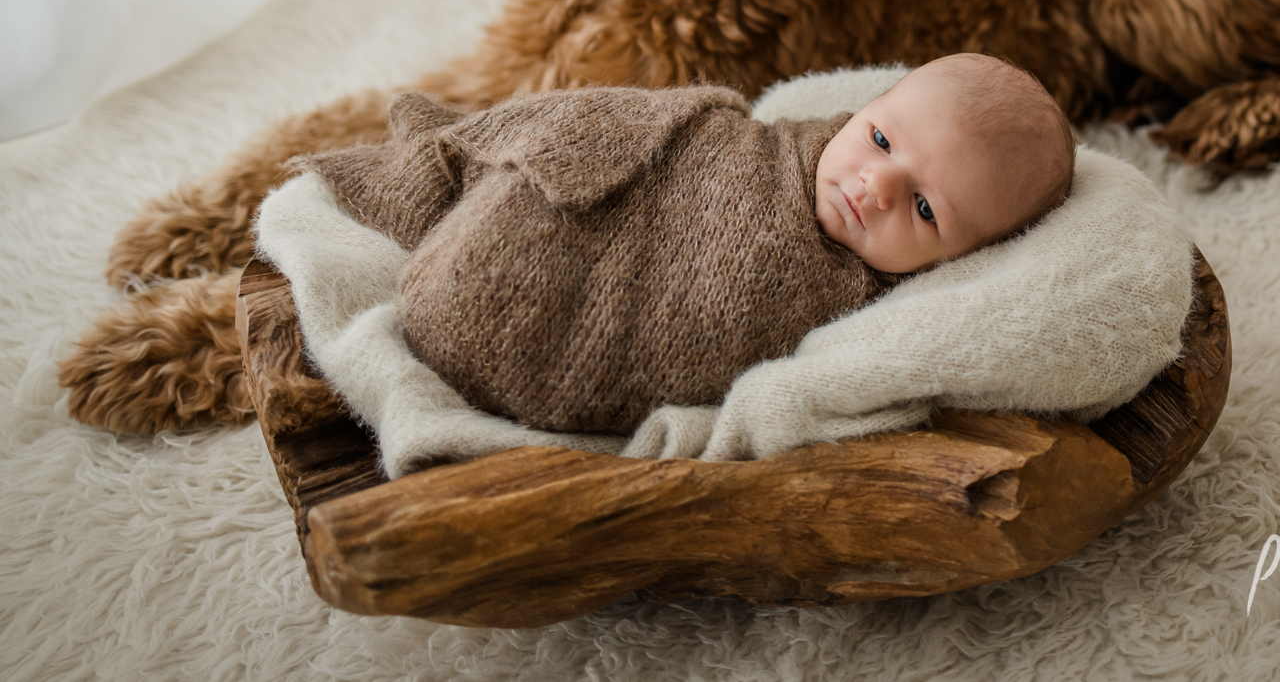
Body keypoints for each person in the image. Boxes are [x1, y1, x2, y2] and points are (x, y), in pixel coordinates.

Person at [294, 54, 1075, 438]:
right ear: (863, 107)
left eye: (927, 208)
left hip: (580, 349)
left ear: (961, 259)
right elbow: (640, 122)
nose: (874, 186)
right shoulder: (765, 138)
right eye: (878, 138)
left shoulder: (877, 308)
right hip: (491, 256)